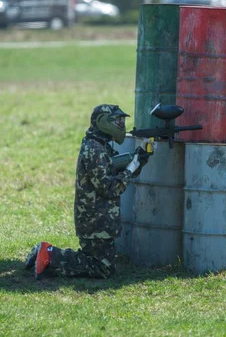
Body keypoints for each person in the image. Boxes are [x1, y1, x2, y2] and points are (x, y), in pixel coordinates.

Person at [24, 104, 152, 279]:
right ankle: (49, 254)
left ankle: (46, 254)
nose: (121, 124)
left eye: (122, 120)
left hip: (99, 218)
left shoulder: (99, 144)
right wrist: (132, 167)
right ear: (103, 122)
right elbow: (110, 188)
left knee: (101, 264)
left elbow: (113, 171)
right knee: (102, 268)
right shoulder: (95, 150)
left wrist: (139, 159)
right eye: (117, 120)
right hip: (95, 220)